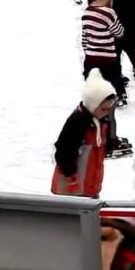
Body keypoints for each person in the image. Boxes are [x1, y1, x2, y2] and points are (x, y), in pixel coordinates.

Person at [51, 69, 116, 198]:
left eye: (109, 109)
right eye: (103, 109)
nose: (106, 112)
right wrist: (70, 174)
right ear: (93, 104)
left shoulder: (101, 121)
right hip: (72, 186)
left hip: (90, 183)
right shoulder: (78, 122)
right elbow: (63, 149)